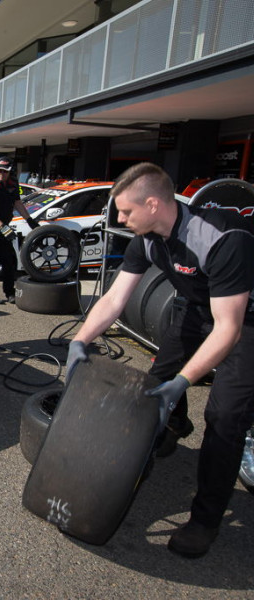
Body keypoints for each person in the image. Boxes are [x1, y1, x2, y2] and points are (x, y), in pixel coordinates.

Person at [65, 162, 254, 558]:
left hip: (243, 320)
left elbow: (228, 329)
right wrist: (79, 341)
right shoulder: (146, 238)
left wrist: (185, 382)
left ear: (153, 204)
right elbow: (115, 300)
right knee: (157, 379)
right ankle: (176, 422)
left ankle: (205, 520)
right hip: (198, 306)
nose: (119, 219)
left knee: (224, 417)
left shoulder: (222, 238)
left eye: (125, 212)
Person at [0, 156, 38, 304]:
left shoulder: (13, 184)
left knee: (9, 260)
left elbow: (17, 203)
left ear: (10, 172)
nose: (1, 174)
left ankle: (10, 292)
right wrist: (2, 226)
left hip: (3, 227)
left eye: (4, 171)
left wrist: (29, 220)